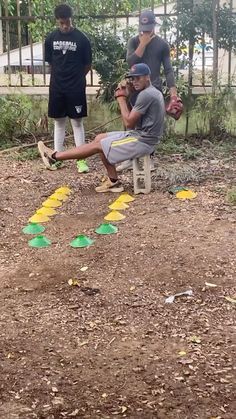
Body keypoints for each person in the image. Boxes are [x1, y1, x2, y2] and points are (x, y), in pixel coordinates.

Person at [38, 63, 165, 193]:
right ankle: (113, 180)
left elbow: (128, 123)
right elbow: (135, 117)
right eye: (132, 78)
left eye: (138, 78)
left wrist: (120, 98)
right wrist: (129, 94)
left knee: (100, 145)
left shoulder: (146, 95)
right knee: (100, 138)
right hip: (139, 135)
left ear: (147, 77)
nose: (134, 81)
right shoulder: (151, 91)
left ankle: (55, 156)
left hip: (143, 141)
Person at [117, 9, 182, 172]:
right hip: (135, 89)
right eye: (144, 28)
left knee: (149, 126)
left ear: (154, 26)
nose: (146, 31)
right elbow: (130, 62)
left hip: (154, 90)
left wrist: (173, 94)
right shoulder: (133, 41)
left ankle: (149, 158)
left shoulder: (162, 44)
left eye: (149, 28)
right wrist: (143, 43)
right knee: (132, 125)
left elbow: (168, 70)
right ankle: (130, 159)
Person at [44, 4, 92, 173]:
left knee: (77, 123)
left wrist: (77, 78)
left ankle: (81, 160)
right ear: (57, 21)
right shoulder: (50, 38)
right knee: (59, 122)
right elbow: (51, 62)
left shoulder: (82, 39)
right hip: (57, 87)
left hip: (75, 88)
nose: (65, 26)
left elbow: (87, 64)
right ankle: (57, 158)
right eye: (62, 23)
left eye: (67, 22)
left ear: (71, 20)